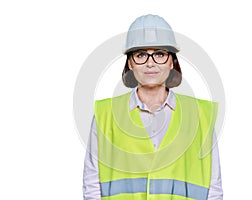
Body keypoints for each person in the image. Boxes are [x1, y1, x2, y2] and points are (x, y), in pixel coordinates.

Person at [83, 14, 223, 200]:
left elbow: (214, 187)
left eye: (159, 54)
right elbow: (92, 184)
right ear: (130, 63)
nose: (150, 63)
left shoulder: (200, 115)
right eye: (141, 55)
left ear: (172, 61)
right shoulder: (106, 114)